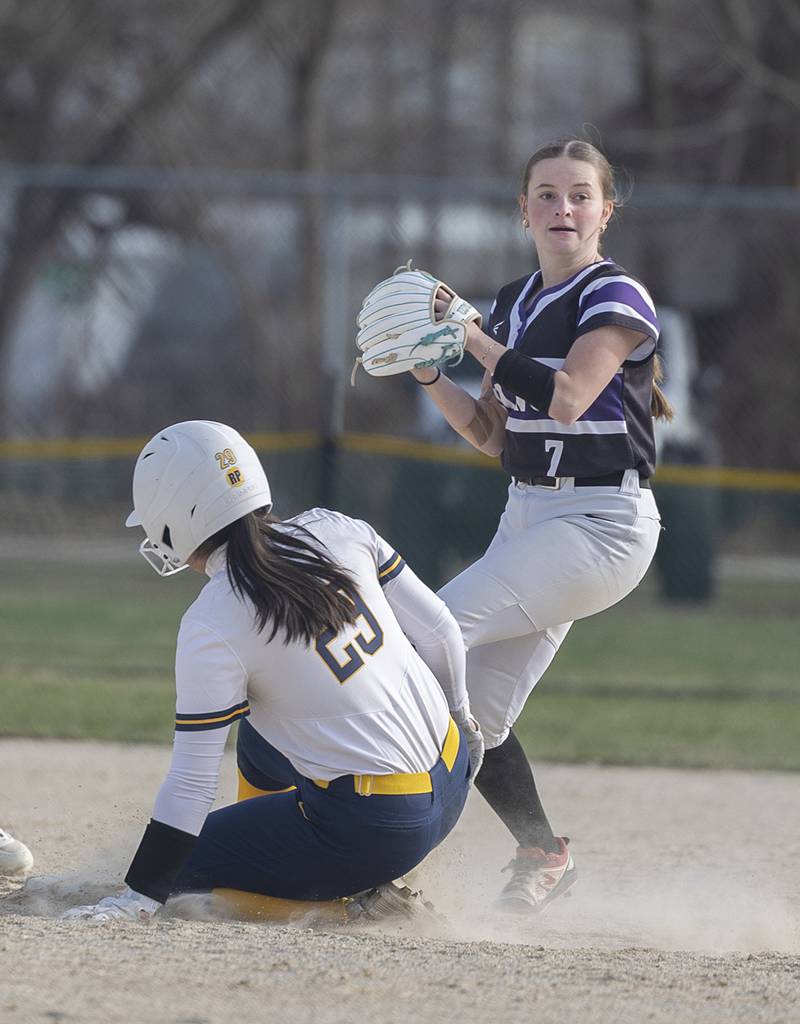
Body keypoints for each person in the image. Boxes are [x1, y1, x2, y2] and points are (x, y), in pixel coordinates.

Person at [64, 420, 482, 923]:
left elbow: (192, 785)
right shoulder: (335, 527)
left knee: (175, 876)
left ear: (174, 517)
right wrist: (464, 719)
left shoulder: (213, 620)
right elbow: (441, 631)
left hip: (381, 829)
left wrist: (139, 896)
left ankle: (345, 907)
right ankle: (303, 846)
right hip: (454, 773)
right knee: (258, 740)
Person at [402, 138, 671, 912]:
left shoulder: (614, 296)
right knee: (475, 714)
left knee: (430, 635)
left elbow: (569, 398)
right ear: (522, 211)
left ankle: (361, 835)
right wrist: (429, 373)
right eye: (546, 195)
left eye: (580, 195)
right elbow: (492, 433)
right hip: (527, 513)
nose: (563, 208)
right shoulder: (515, 302)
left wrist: (471, 336)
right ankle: (543, 852)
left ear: (605, 211)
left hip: (600, 521)